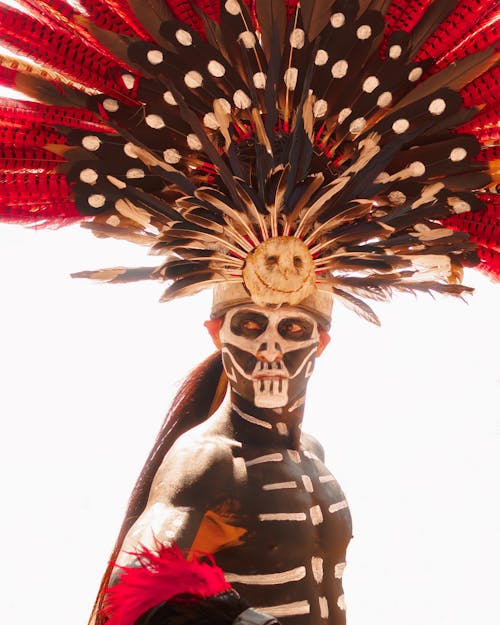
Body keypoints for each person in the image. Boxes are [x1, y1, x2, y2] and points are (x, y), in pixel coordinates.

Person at [96, 285, 351, 625]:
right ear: (217, 335)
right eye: (250, 325)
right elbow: (132, 586)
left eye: (291, 327)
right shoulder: (205, 459)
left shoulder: (313, 453)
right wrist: (244, 621)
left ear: (320, 343)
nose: (270, 351)